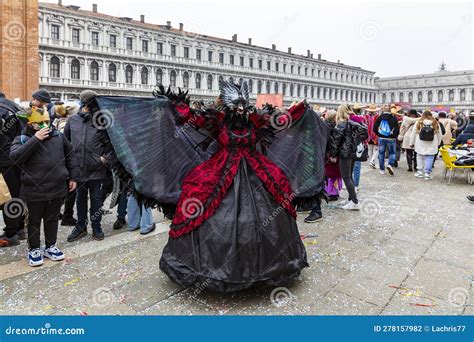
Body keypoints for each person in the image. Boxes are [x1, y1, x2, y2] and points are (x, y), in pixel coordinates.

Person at [94, 81, 329, 292]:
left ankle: (268, 269)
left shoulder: (256, 120)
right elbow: (190, 120)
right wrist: (176, 105)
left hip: (256, 171)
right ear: (226, 104)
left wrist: (298, 111)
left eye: (242, 105)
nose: (240, 109)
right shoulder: (217, 121)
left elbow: (280, 122)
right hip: (220, 170)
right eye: (235, 105)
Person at [9, 106, 77, 266]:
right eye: (40, 123)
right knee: (33, 221)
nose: (45, 126)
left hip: (57, 186)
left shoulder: (58, 136)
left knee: (52, 219)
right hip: (34, 189)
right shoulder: (23, 138)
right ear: (31, 124)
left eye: (47, 122)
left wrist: (73, 176)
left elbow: (70, 154)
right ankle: (34, 249)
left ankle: (50, 246)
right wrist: (36, 139)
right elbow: (15, 158)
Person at [64, 90, 107, 242]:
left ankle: (96, 227)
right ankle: (81, 227)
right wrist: (70, 164)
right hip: (78, 169)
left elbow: (111, 144)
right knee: (80, 199)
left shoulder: (101, 120)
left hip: (96, 169)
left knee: (96, 200)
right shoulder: (72, 120)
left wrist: (103, 159)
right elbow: (66, 143)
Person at [329, 104, 368, 210]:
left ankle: (355, 202)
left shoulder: (342, 123)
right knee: (349, 177)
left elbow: (336, 142)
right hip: (352, 153)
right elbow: (365, 132)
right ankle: (351, 199)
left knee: (346, 177)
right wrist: (355, 141)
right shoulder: (351, 122)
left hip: (344, 154)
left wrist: (332, 154)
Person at [0, 91, 25, 247]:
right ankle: (20, 228)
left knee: (6, 196)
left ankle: (11, 233)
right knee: (16, 193)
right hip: (18, 154)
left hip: (3, 159)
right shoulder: (14, 106)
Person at [54, 102, 80, 226]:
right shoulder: (66, 123)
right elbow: (66, 143)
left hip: (62, 159)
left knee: (67, 189)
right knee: (70, 189)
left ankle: (60, 213)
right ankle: (66, 216)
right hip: (67, 160)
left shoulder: (58, 121)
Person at [410, 110, 443, 180]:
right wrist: (439, 142)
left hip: (420, 142)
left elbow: (413, 133)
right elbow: (439, 134)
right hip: (432, 142)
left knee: (419, 156)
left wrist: (411, 143)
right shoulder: (435, 122)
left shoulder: (419, 122)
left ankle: (420, 172)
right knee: (430, 157)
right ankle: (427, 173)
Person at [373, 104, 400, 176]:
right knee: (392, 153)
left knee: (381, 153)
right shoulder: (394, 118)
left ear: (383, 110)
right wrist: (393, 136)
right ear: (390, 110)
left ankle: (382, 170)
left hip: (381, 138)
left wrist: (379, 135)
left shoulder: (379, 118)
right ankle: (390, 164)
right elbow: (397, 130)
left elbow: (374, 129)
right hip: (391, 138)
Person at [349, 103, 366, 191]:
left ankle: (350, 183)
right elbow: (365, 133)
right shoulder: (362, 120)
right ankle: (356, 185)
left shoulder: (349, 119)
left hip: (349, 144)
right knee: (357, 165)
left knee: (349, 164)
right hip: (358, 143)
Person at [364, 104, 380, 169]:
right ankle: (372, 161)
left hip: (368, 135)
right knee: (376, 149)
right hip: (375, 135)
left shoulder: (366, 117)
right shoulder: (378, 117)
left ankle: (371, 162)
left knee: (370, 149)